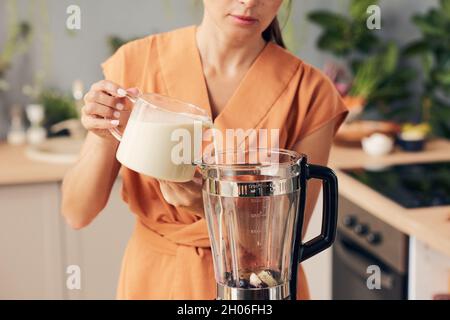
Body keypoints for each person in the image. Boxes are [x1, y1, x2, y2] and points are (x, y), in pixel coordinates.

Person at [61, 0, 348, 300]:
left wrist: (207, 205)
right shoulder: (135, 63)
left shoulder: (311, 92)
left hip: (257, 291)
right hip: (155, 281)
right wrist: (103, 134)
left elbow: (287, 250)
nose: (249, 2)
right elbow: (77, 212)